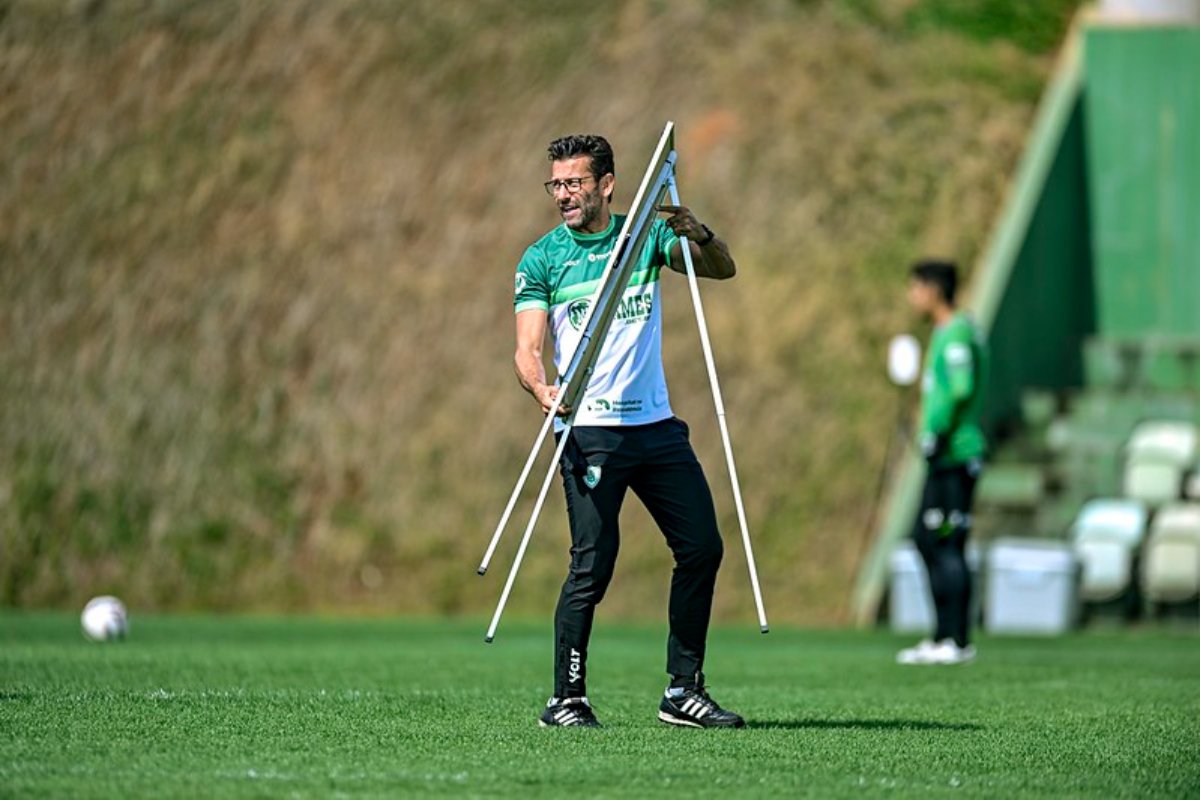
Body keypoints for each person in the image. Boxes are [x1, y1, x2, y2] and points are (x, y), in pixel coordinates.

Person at [511, 133, 744, 728]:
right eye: (556, 184)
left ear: (606, 185)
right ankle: (566, 698)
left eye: (574, 183)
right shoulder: (542, 259)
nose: (563, 195)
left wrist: (699, 233)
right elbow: (528, 350)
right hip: (590, 431)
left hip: (657, 426)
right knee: (594, 562)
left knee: (702, 548)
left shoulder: (644, 238)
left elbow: (722, 269)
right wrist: (543, 389)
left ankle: (683, 690)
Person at [896, 260, 988, 666]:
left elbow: (962, 386)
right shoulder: (943, 332)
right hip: (944, 454)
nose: (911, 296)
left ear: (933, 289)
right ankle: (942, 637)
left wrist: (937, 431)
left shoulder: (956, 333)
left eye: (916, 287)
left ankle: (956, 640)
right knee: (927, 538)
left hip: (955, 453)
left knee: (946, 543)